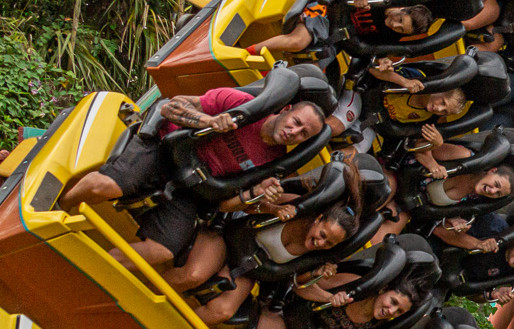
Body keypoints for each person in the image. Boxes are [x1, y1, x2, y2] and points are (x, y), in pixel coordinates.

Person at [59, 89, 327, 269]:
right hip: (166, 151)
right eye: (296, 122)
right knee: (106, 185)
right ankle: (58, 210)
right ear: (286, 109)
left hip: (191, 188)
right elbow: (170, 106)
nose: (294, 131)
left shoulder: (276, 161)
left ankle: (91, 265)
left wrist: (257, 194)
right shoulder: (241, 103)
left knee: (163, 251)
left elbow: (226, 206)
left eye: (303, 134)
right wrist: (206, 122)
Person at [252, 0, 434, 56]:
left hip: (334, 38)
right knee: (299, 42)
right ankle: (248, 53)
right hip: (325, 12)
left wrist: (383, 63)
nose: (395, 25)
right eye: (400, 19)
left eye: (401, 30)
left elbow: (375, 51)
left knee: (318, 68)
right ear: (402, 8)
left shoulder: (391, 36)